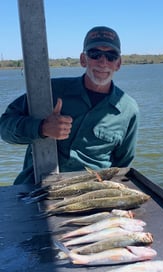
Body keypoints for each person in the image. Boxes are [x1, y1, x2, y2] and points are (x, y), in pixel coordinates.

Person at [0, 26, 140, 185]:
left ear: (118, 64)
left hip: (92, 193)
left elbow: (121, 166)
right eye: (95, 54)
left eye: (111, 56)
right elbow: (4, 128)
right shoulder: (49, 92)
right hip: (35, 187)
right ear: (83, 59)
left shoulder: (129, 110)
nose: (103, 62)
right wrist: (41, 128)